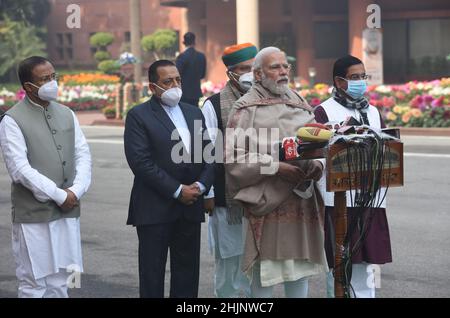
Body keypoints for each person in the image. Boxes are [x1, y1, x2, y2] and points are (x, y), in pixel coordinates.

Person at [224, 47, 328, 298]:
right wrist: (276, 167)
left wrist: (318, 166)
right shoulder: (245, 108)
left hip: (301, 203)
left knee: (300, 273)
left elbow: (320, 146)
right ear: (258, 74)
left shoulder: (300, 103)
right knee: (265, 279)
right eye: (275, 67)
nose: (283, 72)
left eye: (285, 66)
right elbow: (232, 157)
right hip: (267, 205)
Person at [0, 56, 92, 298]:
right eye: (45, 79)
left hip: (67, 209)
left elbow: (83, 154)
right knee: (34, 282)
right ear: (28, 87)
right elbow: (20, 169)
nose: (53, 82)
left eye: (54, 77)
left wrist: (77, 190)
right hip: (34, 215)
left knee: (62, 281)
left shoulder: (67, 113)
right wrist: (59, 194)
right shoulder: (12, 120)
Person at [124, 60, 215, 298]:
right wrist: (177, 190)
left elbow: (210, 155)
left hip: (190, 206)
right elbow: (140, 162)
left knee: (187, 273)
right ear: (153, 87)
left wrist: (201, 185)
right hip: (155, 207)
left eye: (178, 80)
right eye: (168, 82)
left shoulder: (193, 111)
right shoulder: (138, 116)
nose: (175, 85)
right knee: (152, 274)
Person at [314, 55, 392, 298]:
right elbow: (316, 153)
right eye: (354, 77)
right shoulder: (323, 111)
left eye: (363, 77)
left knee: (367, 264)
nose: (360, 82)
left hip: (372, 199)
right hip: (338, 202)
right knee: (339, 267)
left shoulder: (374, 111)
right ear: (339, 81)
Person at [201, 43, 258, 298]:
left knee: (257, 264)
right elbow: (206, 153)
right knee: (231, 263)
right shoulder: (213, 105)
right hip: (228, 199)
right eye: (243, 68)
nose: (249, 73)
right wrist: (208, 193)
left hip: (263, 197)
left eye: (253, 68)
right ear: (231, 73)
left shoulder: (266, 99)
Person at [176, 32, 207, 106]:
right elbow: (202, 75)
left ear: (184, 43)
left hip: (183, 94)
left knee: (184, 115)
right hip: (196, 93)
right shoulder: (201, 56)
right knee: (194, 115)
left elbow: (177, 76)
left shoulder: (182, 57)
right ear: (194, 42)